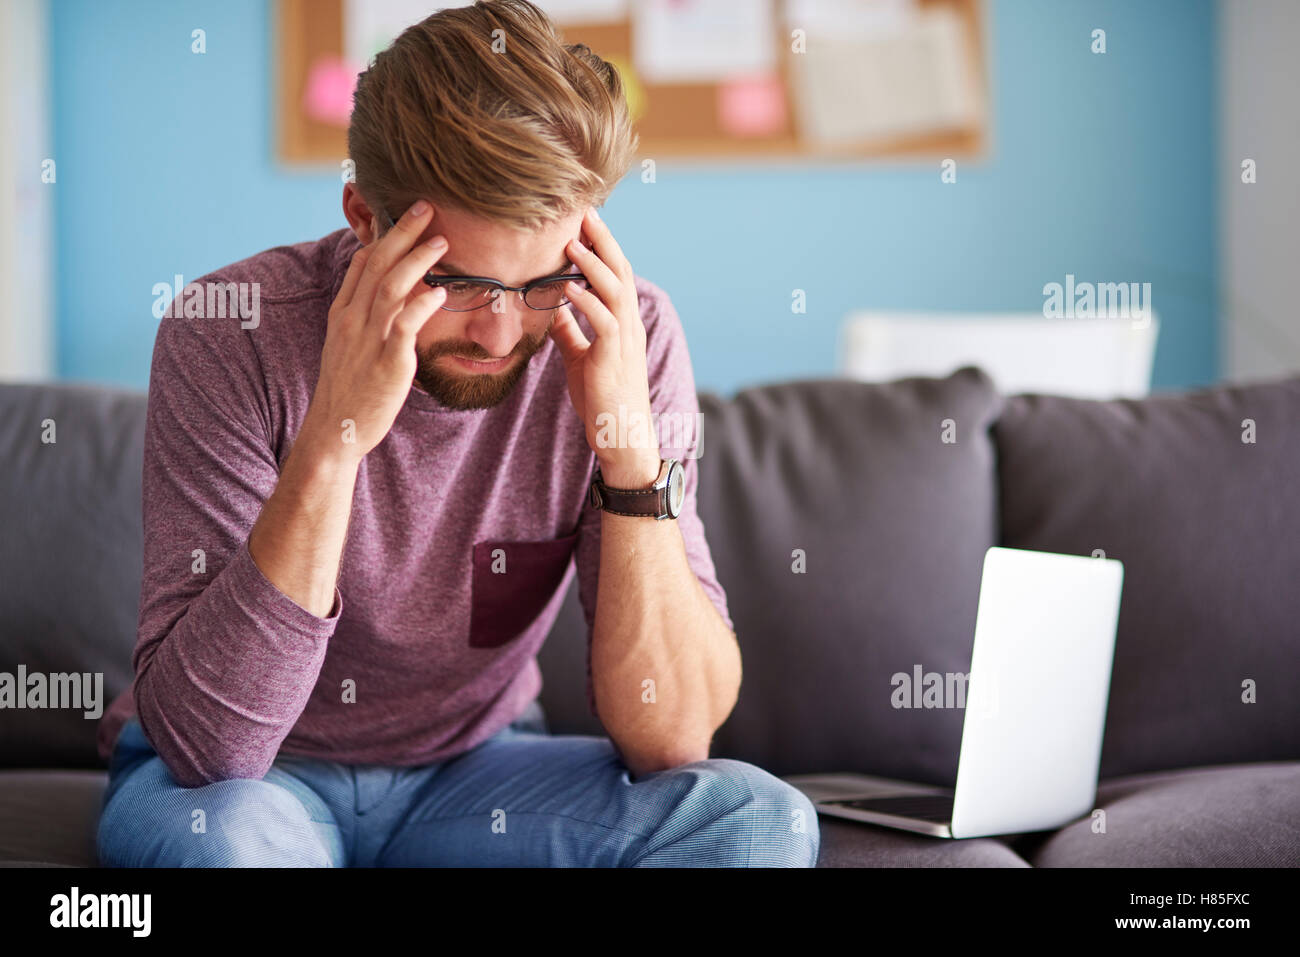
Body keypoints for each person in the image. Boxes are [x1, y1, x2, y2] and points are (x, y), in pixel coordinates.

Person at [96, 0, 819, 867]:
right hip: (252, 789)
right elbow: (211, 749)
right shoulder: (228, 332)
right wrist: (334, 438)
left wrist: (629, 457)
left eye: (543, 281)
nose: (503, 335)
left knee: (758, 820)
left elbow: (673, 741)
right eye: (462, 283)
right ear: (364, 218)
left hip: (478, 775)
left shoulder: (624, 335)